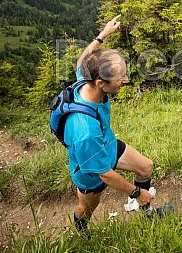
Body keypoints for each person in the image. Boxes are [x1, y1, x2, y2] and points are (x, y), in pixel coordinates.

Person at [66, 15, 170, 233]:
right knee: (88, 207)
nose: (126, 81)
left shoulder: (85, 77)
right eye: (120, 78)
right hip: (90, 168)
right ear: (101, 83)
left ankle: (147, 213)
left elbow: (82, 59)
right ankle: (81, 230)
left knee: (145, 166)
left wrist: (103, 34)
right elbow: (104, 173)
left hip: (107, 145)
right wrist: (136, 192)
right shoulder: (85, 129)